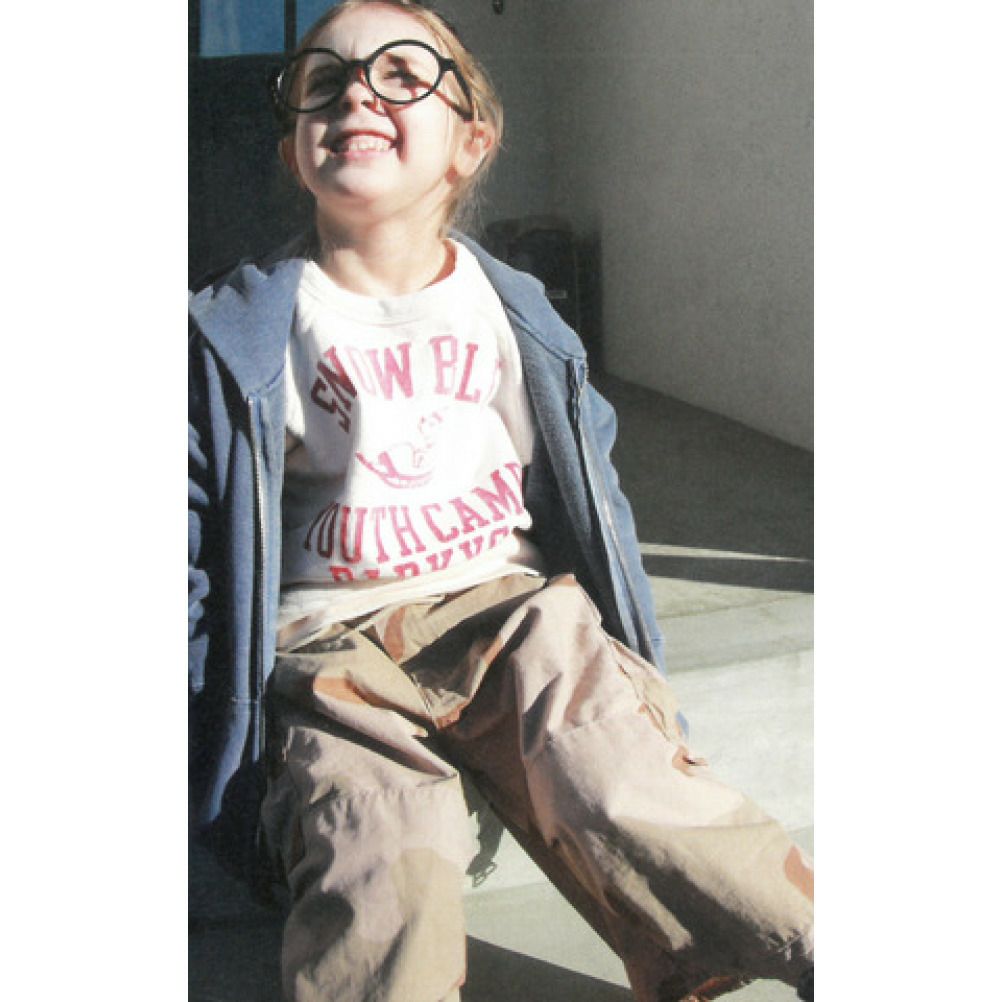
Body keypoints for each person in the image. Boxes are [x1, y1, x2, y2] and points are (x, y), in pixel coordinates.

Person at [188, 3, 814, 1000]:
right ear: (293, 150)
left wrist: (630, 663)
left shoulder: (515, 316)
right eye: (324, 82)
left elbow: (592, 491)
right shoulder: (239, 331)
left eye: (401, 75)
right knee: (375, 846)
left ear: (469, 144)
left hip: (508, 613)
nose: (356, 94)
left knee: (616, 772)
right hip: (328, 648)